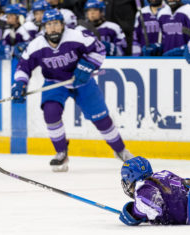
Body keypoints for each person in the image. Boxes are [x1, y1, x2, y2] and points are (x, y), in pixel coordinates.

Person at [12, 9, 133, 172]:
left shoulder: (76, 36)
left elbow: (99, 49)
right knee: (51, 112)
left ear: (62, 25)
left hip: (83, 82)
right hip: (54, 82)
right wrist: (20, 84)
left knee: (101, 119)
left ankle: (120, 150)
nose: (53, 28)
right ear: (44, 27)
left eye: (56, 23)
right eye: (49, 25)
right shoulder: (36, 45)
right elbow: (23, 66)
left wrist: (87, 66)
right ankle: (61, 152)